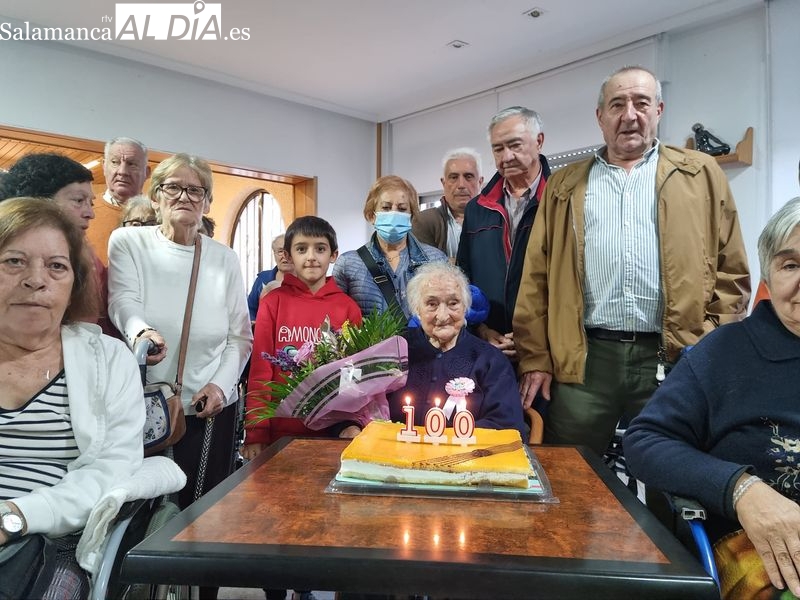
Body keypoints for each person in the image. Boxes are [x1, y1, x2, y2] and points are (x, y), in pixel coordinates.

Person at [514, 66, 751, 456]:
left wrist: (710, 343)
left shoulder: (701, 174)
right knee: (571, 474)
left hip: (675, 357)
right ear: (600, 116)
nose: (630, 115)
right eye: (617, 104)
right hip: (584, 361)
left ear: (658, 110)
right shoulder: (564, 185)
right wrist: (536, 357)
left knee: (674, 479)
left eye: (641, 103)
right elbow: (536, 278)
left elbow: (732, 271)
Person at [624, 197, 800, 600]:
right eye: (791, 265)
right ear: (768, 276)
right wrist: (741, 489)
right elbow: (645, 440)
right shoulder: (726, 353)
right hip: (760, 553)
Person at [0, 198, 144, 600]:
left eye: (56, 266)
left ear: (74, 283)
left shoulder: (108, 360)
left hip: (51, 536)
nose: (35, 279)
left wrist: (15, 516)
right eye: (14, 261)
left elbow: (111, 469)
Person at [107, 153, 252, 517]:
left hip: (209, 407)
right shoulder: (128, 242)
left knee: (203, 511)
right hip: (145, 404)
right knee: (140, 510)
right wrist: (141, 332)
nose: (184, 197)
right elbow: (123, 298)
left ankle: (200, 576)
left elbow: (240, 337)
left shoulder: (224, 258)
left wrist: (221, 385)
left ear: (206, 201)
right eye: (173, 187)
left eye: (195, 190)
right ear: (156, 196)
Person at [339, 262, 526, 441]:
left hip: (462, 463)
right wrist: (350, 425)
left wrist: (447, 441)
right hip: (391, 459)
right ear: (416, 309)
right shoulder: (392, 349)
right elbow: (352, 404)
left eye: (453, 303)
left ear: (465, 307)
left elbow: (506, 425)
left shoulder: (490, 360)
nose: (443, 316)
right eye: (431, 304)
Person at [245, 215, 362, 456]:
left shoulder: (348, 308)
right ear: (287, 256)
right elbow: (261, 370)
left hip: (333, 431)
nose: (311, 257)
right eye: (301, 249)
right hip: (280, 431)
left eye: (320, 249)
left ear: (333, 255)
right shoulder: (273, 303)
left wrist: (351, 423)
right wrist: (256, 431)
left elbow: (353, 374)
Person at [456, 106, 550, 360]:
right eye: (498, 149)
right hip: (489, 346)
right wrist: (481, 328)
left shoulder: (559, 200)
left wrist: (536, 339)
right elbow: (464, 277)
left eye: (515, 145)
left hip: (545, 349)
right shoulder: (477, 208)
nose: (506, 156)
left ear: (539, 141)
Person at [0, 153, 119, 337]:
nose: (90, 213)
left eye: (57, 266)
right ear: (40, 201)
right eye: (79, 201)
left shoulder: (87, 259)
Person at [333, 175, 447, 319]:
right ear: (371, 215)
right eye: (386, 208)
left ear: (411, 216)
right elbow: (336, 321)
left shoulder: (436, 259)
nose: (394, 213)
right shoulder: (348, 264)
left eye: (402, 208)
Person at [413, 148, 484, 261]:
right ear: (444, 183)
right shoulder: (423, 221)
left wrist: (448, 261)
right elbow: (423, 267)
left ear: (480, 182)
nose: (461, 185)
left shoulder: (496, 221)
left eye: (468, 176)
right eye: (454, 177)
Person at [88, 137, 150, 264]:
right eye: (115, 162)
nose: (122, 171)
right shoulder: (84, 212)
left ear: (147, 172)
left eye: (132, 164)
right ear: (104, 166)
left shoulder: (159, 216)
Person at [246, 233, 295, 323]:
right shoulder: (262, 279)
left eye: (289, 251)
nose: (285, 256)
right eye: (280, 251)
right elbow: (250, 308)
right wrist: (254, 322)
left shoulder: (306, 280)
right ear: (274, 254)